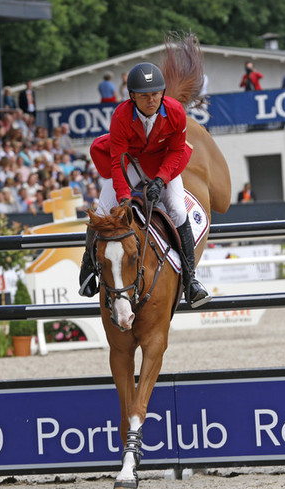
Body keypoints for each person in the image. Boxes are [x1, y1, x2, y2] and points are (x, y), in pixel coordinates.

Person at [80, 62, 210, 308]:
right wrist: (124, 198)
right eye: (144, 96)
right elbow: (117, 162)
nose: (151, 100)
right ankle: (88, 267)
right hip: (130, 161)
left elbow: (175, 151)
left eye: (155, 94)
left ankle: (191, 279)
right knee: (101, 211)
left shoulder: (175, 112)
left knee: (178, 209)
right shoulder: (120, 115)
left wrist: (161, 179)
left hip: (164, 162)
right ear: (132, 97)